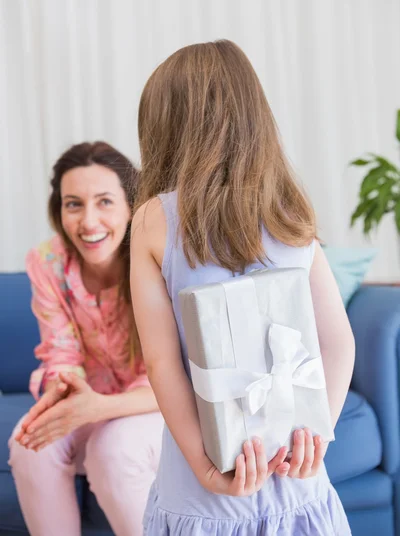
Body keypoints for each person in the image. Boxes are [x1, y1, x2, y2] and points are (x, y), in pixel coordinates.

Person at [130, 40, 355, 535]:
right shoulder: (293, 213)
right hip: (300, 481)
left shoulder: (153, 220)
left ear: (165, 129)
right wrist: (316, 435)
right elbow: (338, 340)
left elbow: (161, 362)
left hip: (203, 497)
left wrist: (206, 468)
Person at [9, 141, 163, 536]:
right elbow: (59, 352)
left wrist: (100, 407)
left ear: (131, 205)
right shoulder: (48, 262)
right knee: (28, 443)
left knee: (114, 449)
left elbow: (173, 378)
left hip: (157, 407)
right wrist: (63, 389)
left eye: (105, 202)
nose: (88, 221)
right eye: (73, 204)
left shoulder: (159, 258)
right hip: (90, 402)